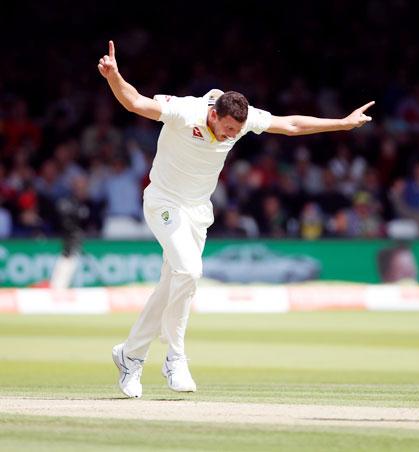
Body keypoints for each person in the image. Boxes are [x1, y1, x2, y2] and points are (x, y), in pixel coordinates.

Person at [97, 40, 374, 398]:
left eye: (236, 131)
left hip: (198, 211)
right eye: (228, 129)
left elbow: (289, 125)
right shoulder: (186, 111)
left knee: (173, 283)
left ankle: (130, 355)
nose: (232, 135)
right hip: (164, 201)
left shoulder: (242, 120)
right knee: (190, 272)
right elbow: (135, 102)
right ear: (214, 115)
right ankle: (175, 358)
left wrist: (342, 123)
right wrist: (115, 77)